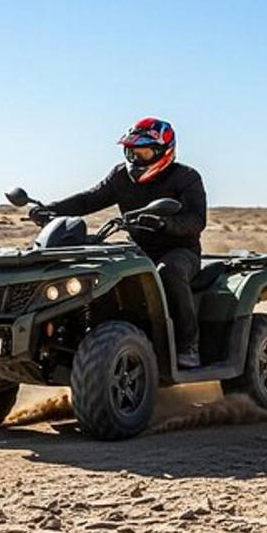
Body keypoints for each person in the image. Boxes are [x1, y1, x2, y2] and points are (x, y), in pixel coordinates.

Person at [43, 118, 206, 368]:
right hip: (138, 251)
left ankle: (188, 345)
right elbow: (90, 199)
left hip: (180, 251)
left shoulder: (186, 177)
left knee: (168, 273)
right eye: (131, 152)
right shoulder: (121, 176)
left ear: (164, 151)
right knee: (98, 271)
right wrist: (50, 210)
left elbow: (196, 220)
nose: (136, 158)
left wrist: (165, 224)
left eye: (144, 152)